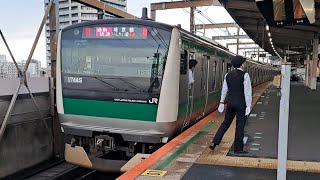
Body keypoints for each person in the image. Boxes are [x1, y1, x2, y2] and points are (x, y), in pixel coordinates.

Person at [209, 55, 252, 154]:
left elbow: (224, 89)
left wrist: (221, 102)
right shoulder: (245, 75)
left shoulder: (227, 75)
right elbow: (247, 92)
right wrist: (248, 105)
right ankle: (238, 149)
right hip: (241, 104)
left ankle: (214, 142)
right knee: (240, 126)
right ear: (241, 64)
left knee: (225, 123)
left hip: (230, 103)